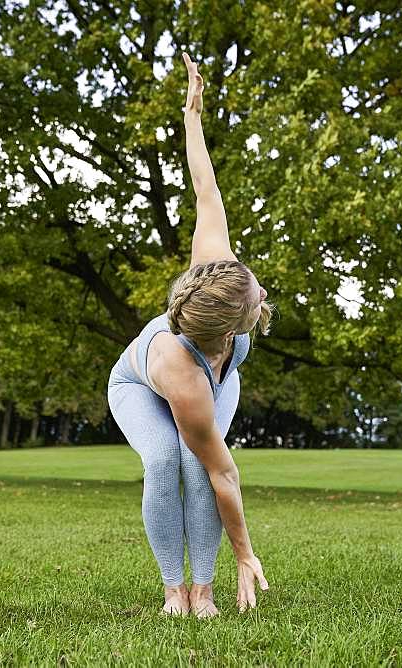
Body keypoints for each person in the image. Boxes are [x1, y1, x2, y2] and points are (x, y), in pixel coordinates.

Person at [106, 51, 272, 618]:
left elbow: (205, 189)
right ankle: (174, 589)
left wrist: (192, 119)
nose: (261, 296)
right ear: (228, 324)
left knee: (200, 463)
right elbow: (227, 470)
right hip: (139, 384)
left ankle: (204, 590)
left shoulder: (216, 271)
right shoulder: (179, 363)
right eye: (257, 300)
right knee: (165, 461)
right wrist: (247, 553)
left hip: (213, 377)